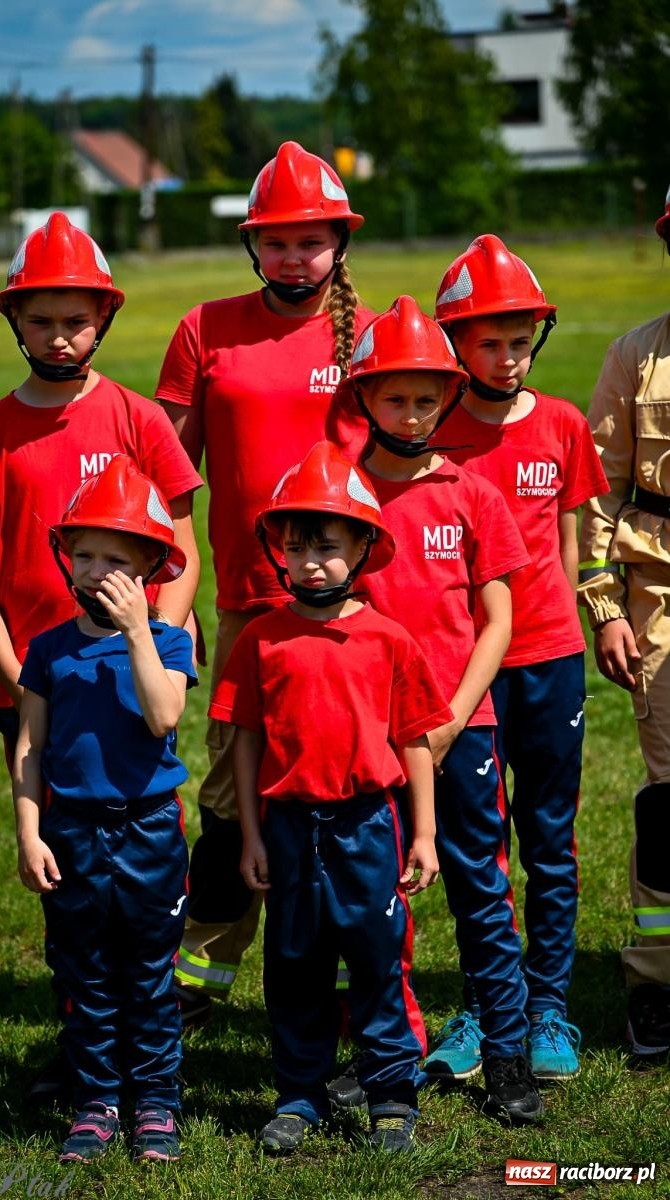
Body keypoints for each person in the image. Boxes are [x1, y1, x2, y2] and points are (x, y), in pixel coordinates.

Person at [0, 212, 202, 1101]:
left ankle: (149, 1060)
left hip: (132, 680)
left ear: (105, 321)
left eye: (77, 319)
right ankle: (84, 1055)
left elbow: (182, 544)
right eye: (42, 318)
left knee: (141, 865)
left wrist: (158, 640)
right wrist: (17, 672)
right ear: (14, 321)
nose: (60, 335)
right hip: (39, 686)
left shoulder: (134, 415)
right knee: (65, 876)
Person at [155, 142, 371, 1020]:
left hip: (356, 610)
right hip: (248, 605)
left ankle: (357, 979)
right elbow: (165, 485)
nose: (293, 258)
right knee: (225, 797)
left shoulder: (375, 332)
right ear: (253, 247)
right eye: (276, 242)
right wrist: (176, 603)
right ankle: (199, 979)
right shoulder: (204, 329)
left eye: (310, 242)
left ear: (338, 245)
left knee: (351, 794)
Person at [211, 441, 452, 1153]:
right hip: (287, 829)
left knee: (377, 961)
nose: (309, 560)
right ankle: (297, 1095)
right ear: (276, 552)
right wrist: (252, 836)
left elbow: (414, 741)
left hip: (365, 828)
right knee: (293, 965)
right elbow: (245, 743)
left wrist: (424, 833)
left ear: (364, 546)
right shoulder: (260, 639)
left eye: (327, 544)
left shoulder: (388, 640)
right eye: (294, 546)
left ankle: (390, 1097)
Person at [337, 295, 542, 1124]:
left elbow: (498, 619)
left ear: (448, 398)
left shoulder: (471, 493)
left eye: (427, 397)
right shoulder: (338, 492)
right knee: (374, 900)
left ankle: (507, 1057)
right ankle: (387, 1055)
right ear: (362, 399)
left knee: (481, 894)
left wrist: (453, 714)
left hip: (463, 732)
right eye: (394, 398)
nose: (413, 413)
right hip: (366, 738)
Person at [431, 234, 609, 1081]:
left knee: (547, 836)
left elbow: (568, 550)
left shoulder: (564, 424)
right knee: (474, 843)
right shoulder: (432, 433)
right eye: (487, 341)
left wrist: (564, 631)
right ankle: (483, 1004)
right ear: (453, 342)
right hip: (462, 670)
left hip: (548, 661)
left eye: (518, 339)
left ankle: (548, 1009)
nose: (506, 358)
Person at [12, 456, 197, 1164]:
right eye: (82, 554)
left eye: (114, 559)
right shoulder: (49, 650)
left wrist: (137, 633)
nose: (93, 571)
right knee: (83, 972)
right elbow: (30, 747)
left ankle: (155, 1102)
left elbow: (161, 716)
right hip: (71, 831)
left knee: (149, 974)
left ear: (151, 565)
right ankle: (96, 1100)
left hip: (148, 831)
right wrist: (30, 833)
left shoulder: (169, 642)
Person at [576, 185, 670, 1061]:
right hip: (659, 596)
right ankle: (655, 983)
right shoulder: (634, 356)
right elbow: (598, 487)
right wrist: (604, 607)